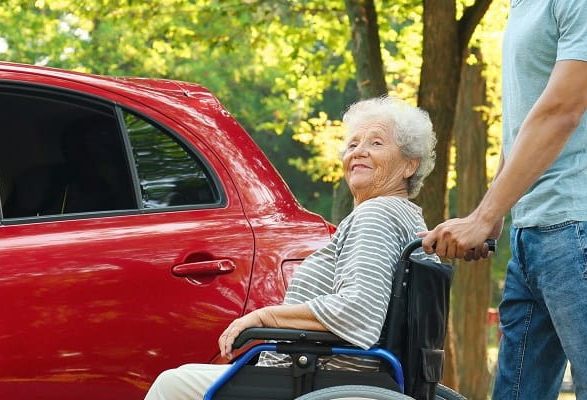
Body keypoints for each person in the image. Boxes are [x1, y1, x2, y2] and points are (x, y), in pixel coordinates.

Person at [418, 0, 587, 399]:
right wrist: (495, 212)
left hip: (577, 228)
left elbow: (562, 110)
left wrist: (482, 216)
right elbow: (526, 124)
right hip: (531, 231)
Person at [144, 96, 439, 399]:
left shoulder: (376, 214)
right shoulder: (408, 218)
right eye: (352, 145)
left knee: (172, 385)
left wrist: (265, 317)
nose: (358, 152)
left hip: (323, 379)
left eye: (376, 143)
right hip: (329, 375)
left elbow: (358, 313)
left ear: (409, 164)